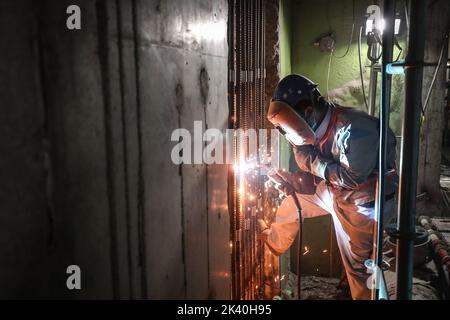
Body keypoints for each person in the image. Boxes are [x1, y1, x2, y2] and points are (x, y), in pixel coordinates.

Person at [261, 74, 398, 300]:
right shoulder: (309, 129)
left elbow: (350, 177)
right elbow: (306, 157)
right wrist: (298, 182)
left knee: (361, 270)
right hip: (335, 192)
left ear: (307, 112)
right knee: (292, 203)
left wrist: (312, 167)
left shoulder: (356, 129)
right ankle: (273, 243)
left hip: (363, 206)